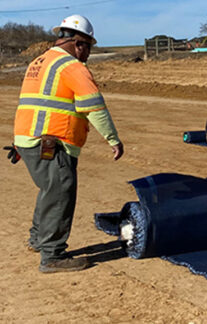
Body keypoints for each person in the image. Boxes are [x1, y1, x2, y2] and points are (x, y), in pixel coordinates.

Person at [9, 15, 124, 273]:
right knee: (61, 190)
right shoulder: (72, 66)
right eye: (88, 48)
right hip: (51, 141)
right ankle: (52, 256)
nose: (88, 55)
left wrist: (20, 143)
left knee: (50, 189)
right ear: (78, 43)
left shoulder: (38, 62)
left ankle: (38, 239)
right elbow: (94, 106)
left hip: (28, 139)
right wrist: (113, 140)